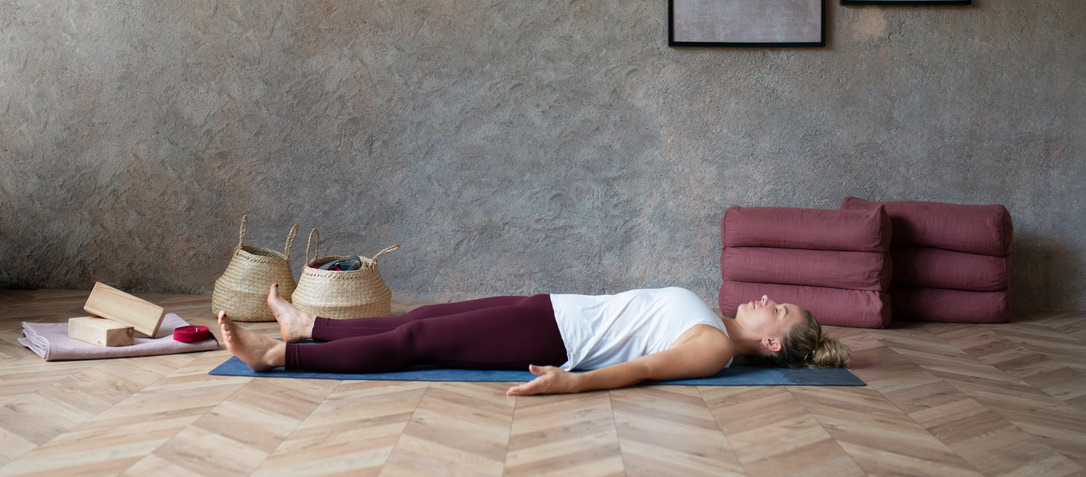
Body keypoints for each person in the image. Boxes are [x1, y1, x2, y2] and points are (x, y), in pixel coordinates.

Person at [217, 285, 851, 396]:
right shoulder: (715, 318)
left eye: (779, 311)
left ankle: (273, 355)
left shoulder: (714, 348)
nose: (766, 300)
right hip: (551, 308)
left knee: (417, 338)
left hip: (554, 336)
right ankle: (308, 327)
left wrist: (573, 384)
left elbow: (645, 369)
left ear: (774, 345)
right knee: (431, 314)